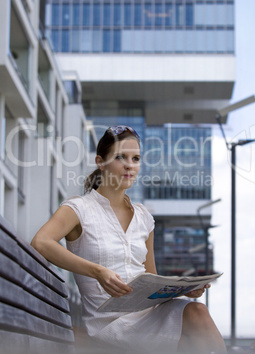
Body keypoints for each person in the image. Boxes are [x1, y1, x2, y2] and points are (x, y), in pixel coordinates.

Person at [31, 125, 227, 354]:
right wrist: (98, 272)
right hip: (108, 323)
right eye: (120, 157)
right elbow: (41, 242)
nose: (129, 165)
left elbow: (150, 277)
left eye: (135, 158)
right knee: (189, 336)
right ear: (100, 162)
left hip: (148, 314)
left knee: (197, 311)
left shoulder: (144, 217)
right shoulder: (78, 208)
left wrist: (180, 290)